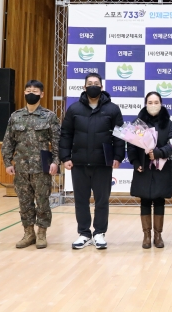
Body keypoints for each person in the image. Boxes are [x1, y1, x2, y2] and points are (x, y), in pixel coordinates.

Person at [59, 73, 124, 250]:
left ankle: (99, 233)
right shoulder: (74, 109)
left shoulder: (112, 109)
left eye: (96, 83)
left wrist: (118, 157)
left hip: (103, 163)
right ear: (84, 87)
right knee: (81, 200)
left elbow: (119, 136)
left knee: (102, 200)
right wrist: (65, 157)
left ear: (101, 87)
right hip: (79, 163)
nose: (93, 86)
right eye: (90, 83)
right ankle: (84, 233)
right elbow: (66, 134)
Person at [1, 80, 60, 249]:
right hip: (21, 168)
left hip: (42, 168)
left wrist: (56, 161)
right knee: (24, 203)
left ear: (42, 94)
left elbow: (57, 142)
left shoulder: (49, 116)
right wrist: (7, 162)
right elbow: (8, 141)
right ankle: (28, 233)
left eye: (35, 91)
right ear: (24, 93)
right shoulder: (16, 116)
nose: (31, 93)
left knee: (42, 202)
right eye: (28, 91)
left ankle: (41, 233)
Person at [128, 92, 172, 249]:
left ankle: (158, 235)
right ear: (145, 104)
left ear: (161, 104)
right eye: (150, 102)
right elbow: (131, 146)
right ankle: (146, 236)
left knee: (159, 199)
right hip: (143, 168)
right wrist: (135, 162)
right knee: (145, 200)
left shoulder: (168, 124)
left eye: (156, 102)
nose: (153, 105)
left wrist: (158, 153)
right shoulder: (138, 123)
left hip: (162, 168)